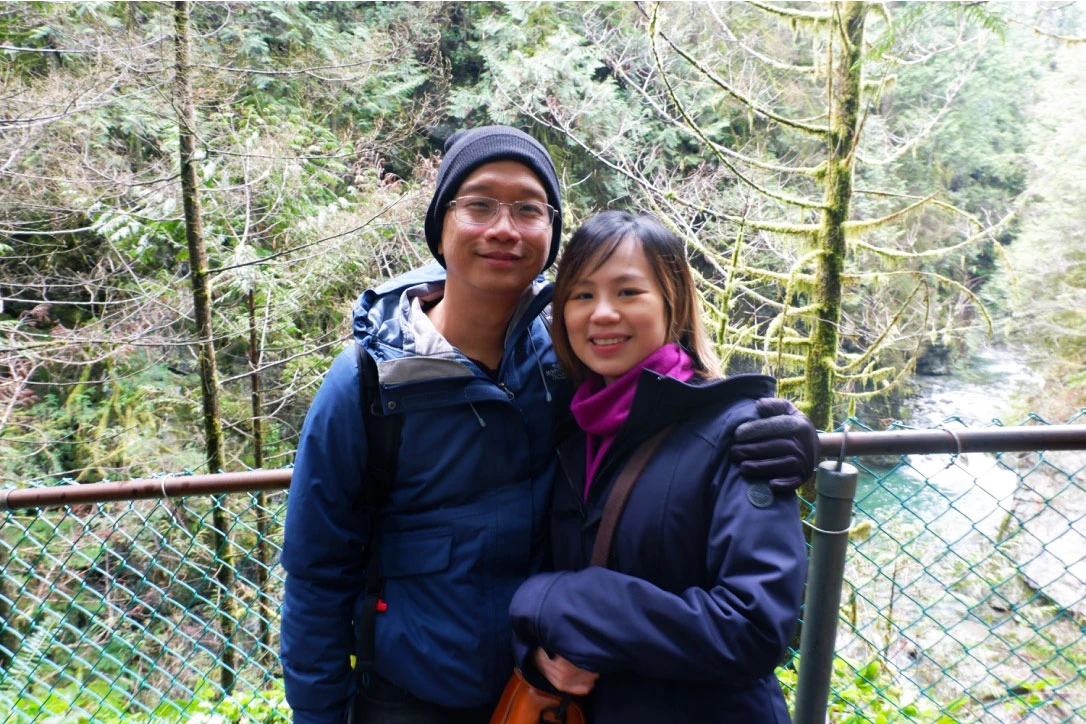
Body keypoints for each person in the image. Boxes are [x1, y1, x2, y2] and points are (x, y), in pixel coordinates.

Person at [279, 126, 817, 724]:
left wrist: (782, 432)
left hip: (552, 696)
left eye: (529, 209)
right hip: (416, 697)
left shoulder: (566, 364)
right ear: (440, 226)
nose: (504, 228)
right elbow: (316, 573)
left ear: (551, 231)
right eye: (479, 204)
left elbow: (672, 395)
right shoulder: (370, 381)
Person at [508, 210, 807, 723]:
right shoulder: (571, 432)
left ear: (673, 302)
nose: (603, 313)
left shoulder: (740, 435)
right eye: (582, 295)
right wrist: (536, 654)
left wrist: (564, 601)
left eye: (628, 292)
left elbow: (756, 628)